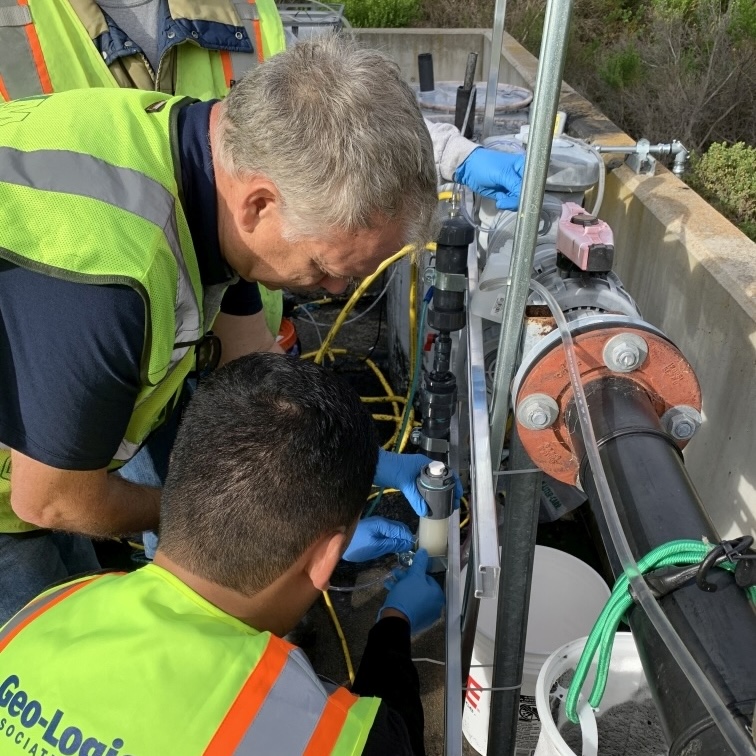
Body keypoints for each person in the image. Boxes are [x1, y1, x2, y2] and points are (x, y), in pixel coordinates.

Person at [0, 35, 471, 623]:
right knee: (41, 650)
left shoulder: (207, 163)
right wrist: (243, 528)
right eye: (324, 266)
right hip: (24, 495)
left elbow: (251, 368)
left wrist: (359, 463)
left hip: (41, 454)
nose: (331, 292)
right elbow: (53, 500)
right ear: (259, 205)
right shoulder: (110, 281)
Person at [0, 353, 445, 756]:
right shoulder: (320, 735)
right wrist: (395, 624)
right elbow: (390, 736)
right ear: (327, 558)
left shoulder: (50, 606)